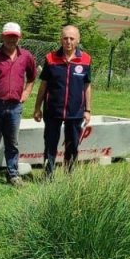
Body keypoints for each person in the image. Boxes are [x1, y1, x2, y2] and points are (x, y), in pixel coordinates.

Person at [0, 22, 37, 185]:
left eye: (15, 37)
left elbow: (32, 77)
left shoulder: (26, 56)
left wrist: (26, 92)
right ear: (2, 37)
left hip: (14, 107)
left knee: (12, 142)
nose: (11, 40)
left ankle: (13, 173)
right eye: (8, 36)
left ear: (20, 37)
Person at [32, 25, 91, 177]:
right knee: (50, 145)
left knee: (72, 146)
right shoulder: (50, 58)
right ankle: (48, 176)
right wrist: (37, 107)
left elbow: (87, 85)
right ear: (61, 40)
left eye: (72, 38)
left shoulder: (85, 59)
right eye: (65, 38)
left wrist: (87, 110)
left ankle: (69, 176)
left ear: (78, 40)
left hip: (75, 111)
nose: (68, 41)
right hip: (53, 110)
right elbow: (43, 85)